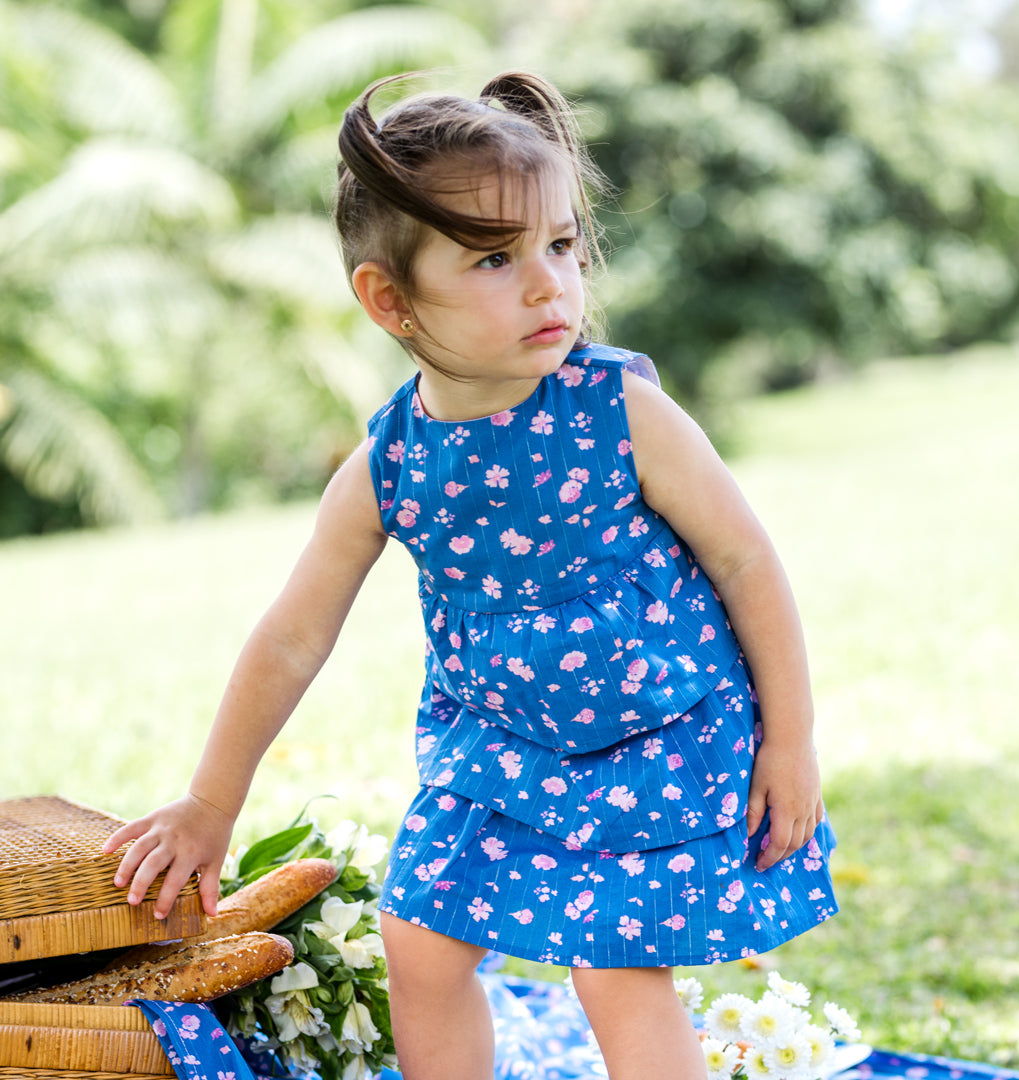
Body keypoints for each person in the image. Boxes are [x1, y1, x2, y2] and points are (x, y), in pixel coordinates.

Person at [105, 70, 838, 1080]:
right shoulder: (390, 464)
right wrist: (209, 805)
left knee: (615, 972)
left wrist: (790, 739)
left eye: (562, 245)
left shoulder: (619, 414)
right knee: (418, 940)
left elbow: (748, 562)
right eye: (495, 259)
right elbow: (291, 636)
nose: (550, 284)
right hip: (495, 746)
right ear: (389, 300)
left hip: (655, 732)